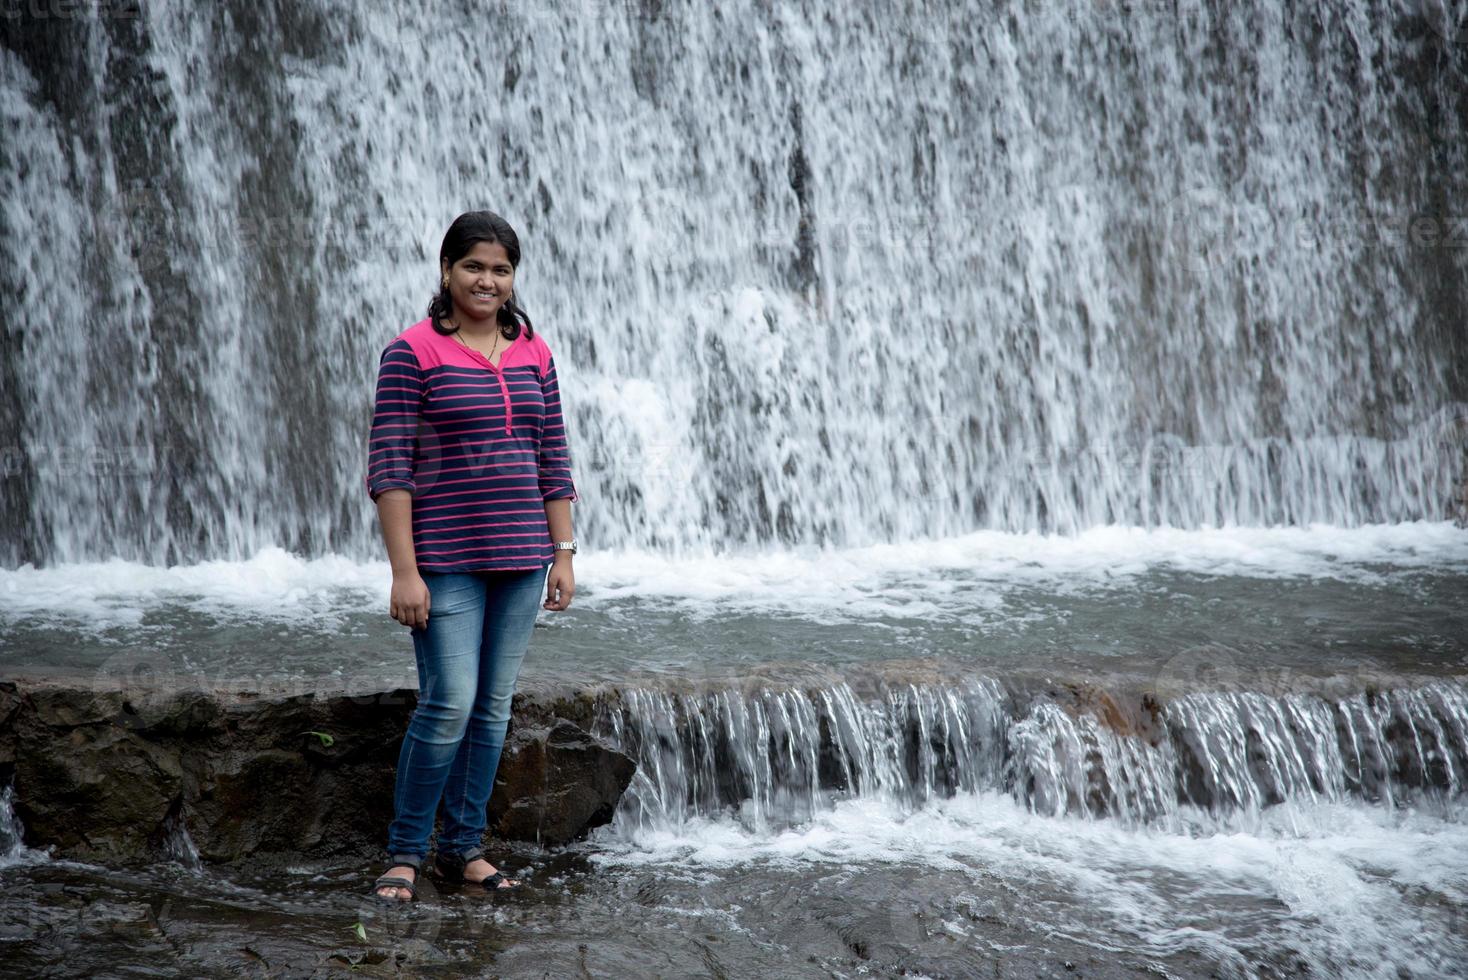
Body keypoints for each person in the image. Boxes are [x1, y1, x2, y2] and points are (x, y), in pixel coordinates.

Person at [364, 211, 579, 901]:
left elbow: (554, 458)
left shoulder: (534, 352)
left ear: (514, 278)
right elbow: (390, 468)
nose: (487, 280)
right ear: (447, 271)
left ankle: (462, 850)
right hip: (447, 560)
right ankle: (405, 852)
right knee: (449, 704)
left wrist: (563, 552)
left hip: (522, 560)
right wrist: (405, 571)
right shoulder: (413, 353)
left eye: (500, 269)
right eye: (474, 267)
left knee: (492, 708)